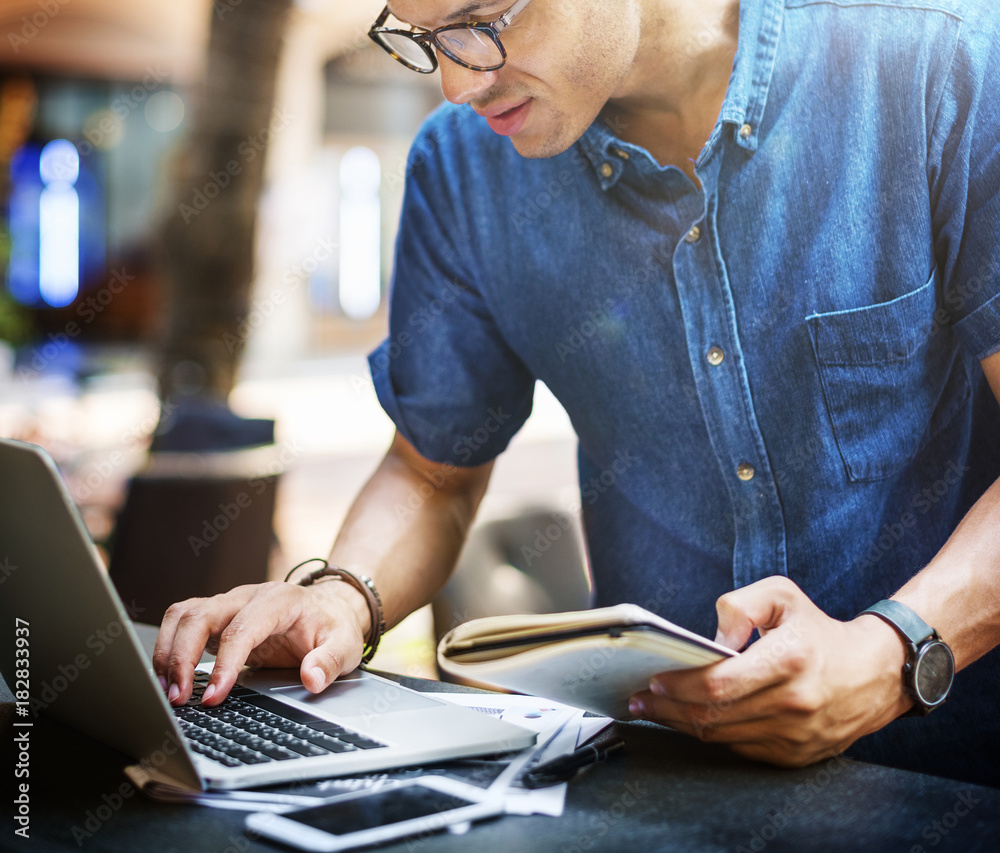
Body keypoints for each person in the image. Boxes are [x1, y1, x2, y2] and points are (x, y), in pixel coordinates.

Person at [154, 0, 1000, 787]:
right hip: (658, 786)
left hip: (955, 781)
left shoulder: (945, 64)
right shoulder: (463, 171)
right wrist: (337, 596)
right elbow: (430, 473)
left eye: (480, 19)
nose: (456, 83)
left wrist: (897, 651)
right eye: (417, 33)